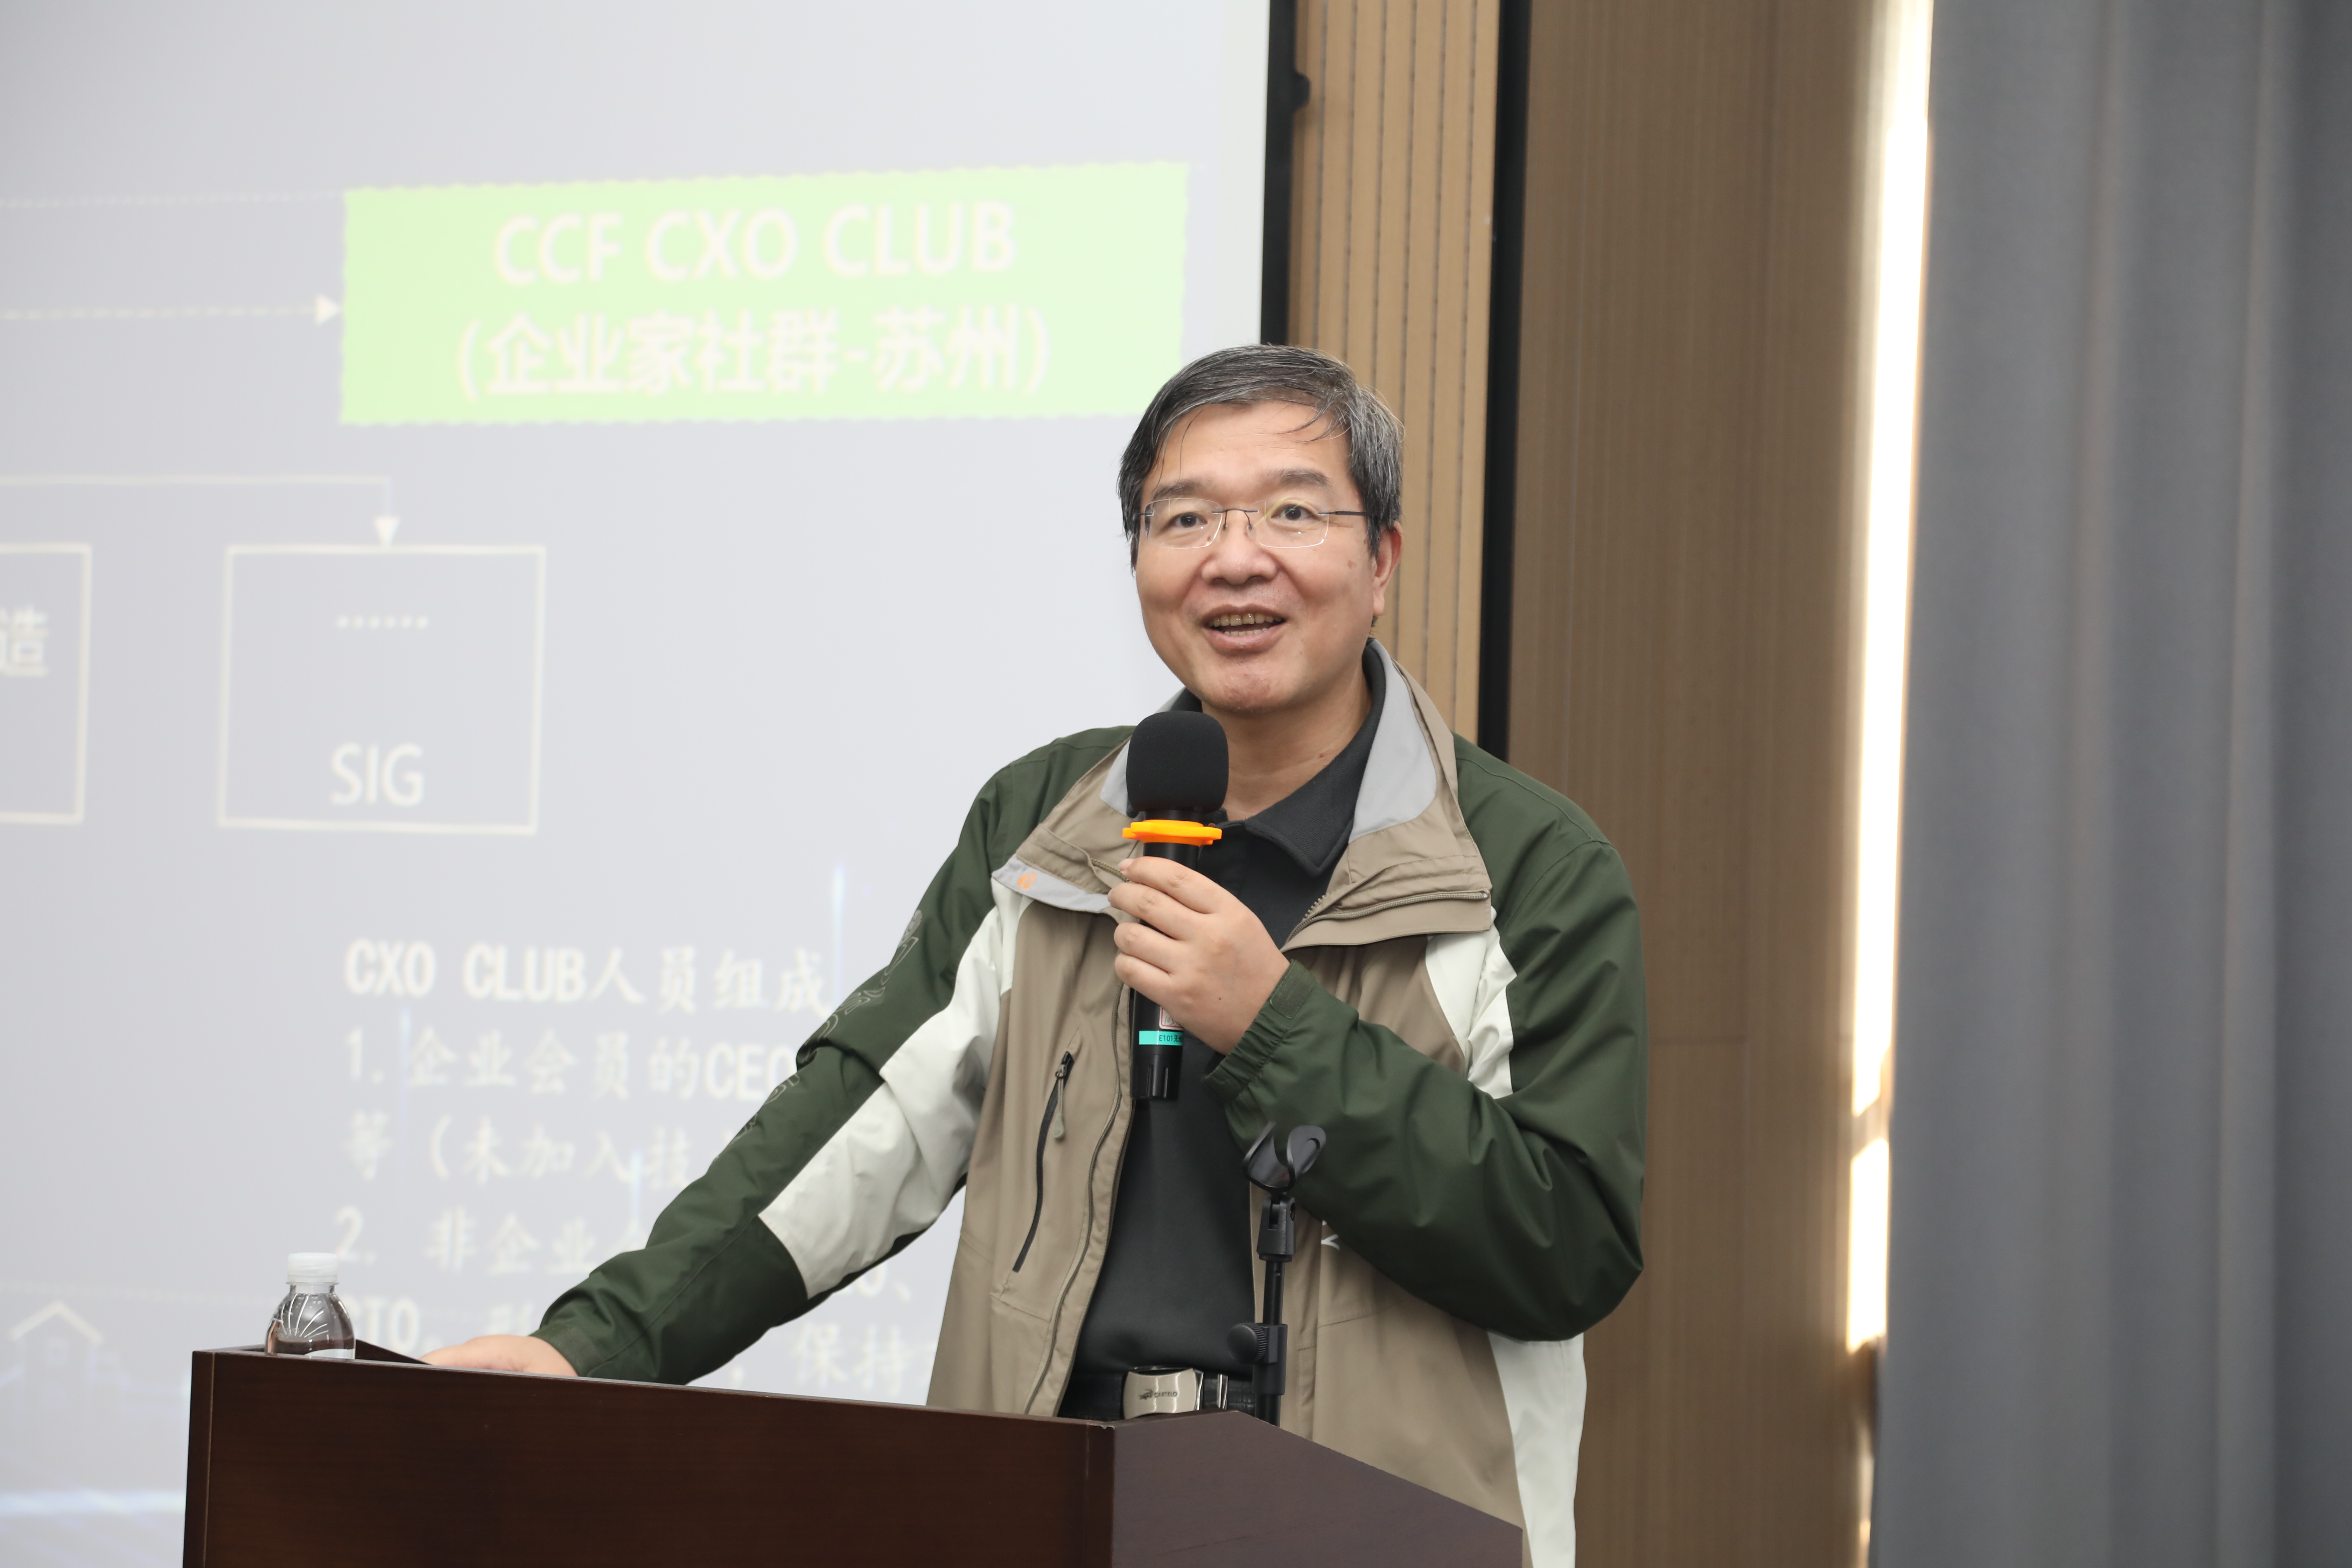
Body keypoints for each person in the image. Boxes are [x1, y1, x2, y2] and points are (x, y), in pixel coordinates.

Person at [428, 344, 1646, 1566]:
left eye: (1291, 512)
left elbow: (1567, 1244)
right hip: (1054, 1500)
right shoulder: (1048, 826)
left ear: (1380, 560)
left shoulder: (1524, 864)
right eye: (1184, 519)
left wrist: (1272, 1028)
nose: (1234, 559)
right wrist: (594, 1347)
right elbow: (859, 1128)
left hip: (1373, 1529)